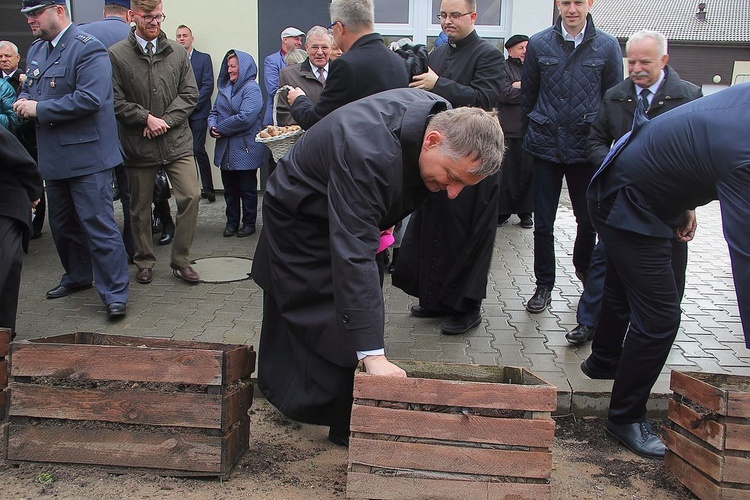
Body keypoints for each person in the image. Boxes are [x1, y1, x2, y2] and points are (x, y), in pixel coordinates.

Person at [252, 88, 504, 446]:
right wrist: (373, 354)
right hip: (301, 215)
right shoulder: (367, 150)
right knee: (329, 304)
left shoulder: (441, 119)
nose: (452, 193)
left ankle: (344, 410)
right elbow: (353, 256)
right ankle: (338, 414)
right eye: (453, 177)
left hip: (340, 205)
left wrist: (380, 216)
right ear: (432, 141)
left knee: (358, 304)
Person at [582, 83, 750, 458]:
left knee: (624, 287)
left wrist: (684, 203)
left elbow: (693, 150)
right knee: (660, 318)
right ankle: (624, 417)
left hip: (648, 190)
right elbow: (745, 252)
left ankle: (604, 361)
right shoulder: (744, 151)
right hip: (625, 201)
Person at [566, 30, 702, 345]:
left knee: (667, 273)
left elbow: (697, 159)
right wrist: (617, 165)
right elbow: (595, 141)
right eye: (632, 61)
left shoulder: (688, 97)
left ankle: (657, 332)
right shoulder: (615, 95)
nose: (637, 68)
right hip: (623, 199)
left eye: (645, 62)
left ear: (664, 61)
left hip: (666, 205)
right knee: (604, 260)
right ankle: (589, 323)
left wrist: (689, 206)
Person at [393, 0, 505, 335]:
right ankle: (436, 299)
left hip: (472, 166)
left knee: (466, 237)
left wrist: (438, 84)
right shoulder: (438, 55)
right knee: (434, 232)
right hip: (442, 161)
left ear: (473, 16)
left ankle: (467, 307)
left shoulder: (488, 55)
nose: (446, 21)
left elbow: (486, 99)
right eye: (442, 15)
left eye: (454, 15)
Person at [14, 0, 129, 318]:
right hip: (54, 157)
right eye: (27, 15)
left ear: (59, 11)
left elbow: (91, 99)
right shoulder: (37, 50)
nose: (30, 21)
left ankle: (115, 292)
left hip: (87, 156)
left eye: (35, 13)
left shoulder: (87, 48)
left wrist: (38, 109)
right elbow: (32, 87)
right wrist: (24, 99)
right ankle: (78, 276)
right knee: (63, 226)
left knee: (98, 225)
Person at [522, 0, 622, 314]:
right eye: (566, 2)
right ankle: (544, 284)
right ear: (558, 5)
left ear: (589, 3)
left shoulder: (606, 47)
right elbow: (529, 94)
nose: (572, 9)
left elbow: (614, 98)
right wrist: (533, 130)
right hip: (546, 148)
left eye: (578, 1)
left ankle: (585, 273)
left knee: (588, 221)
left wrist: (607, 146)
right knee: (543, 224)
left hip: (585, 148)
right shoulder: (539, 44)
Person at [109, 0, 201, 284]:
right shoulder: (116, 54)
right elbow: (114, 101)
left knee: (191, 195)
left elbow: (189, 95)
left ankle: (181, 259)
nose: (154, 22)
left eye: (159, 16)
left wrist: (163, 122)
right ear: (132, 16)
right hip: (138, 145)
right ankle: (144, 260)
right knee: (139, 207)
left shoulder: (176, 51)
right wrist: (145, 118)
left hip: (176, 141)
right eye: (148, 17)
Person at [287, 0, 409, 130]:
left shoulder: (346, 65)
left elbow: (318, 122)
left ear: (339, 28)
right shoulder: (398, 61)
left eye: (332, 28)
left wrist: (299, 100)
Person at [79, 0, 135, 264]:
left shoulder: (84, 34)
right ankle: (132, 247)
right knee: (131, 194)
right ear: (129, 14)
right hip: (132, 127)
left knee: (95, 199)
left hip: (93, 131)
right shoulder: (134, 36)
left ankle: (97, 254)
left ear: (104, 12)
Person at [208, 50, 264, 238]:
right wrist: (212, 127)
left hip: (245, 149)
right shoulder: (224, 88)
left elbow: (245, 118)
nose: (229, 70)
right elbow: (213, 112)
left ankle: (249, 224)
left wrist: (220, 129)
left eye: (234, 66)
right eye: (228, 66)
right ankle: (231, 223)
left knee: (247, 190)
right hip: (226, 150)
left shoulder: (251, 89)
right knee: (230, 191)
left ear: (244, 67)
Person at [0, 126, 43, 338]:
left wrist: (34, 191)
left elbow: (24, 162)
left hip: (6, 204)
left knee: (5, 270)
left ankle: (5, 340)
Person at [1, 39, 44, 240]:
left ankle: (36, 224)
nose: (3, 60)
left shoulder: (26, 78)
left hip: (26, 139)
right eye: (0, 57)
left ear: (18, 58)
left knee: (33, 174)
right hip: (8, 142)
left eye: (7, 56)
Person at [176, 24, 215, 203]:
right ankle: (192, 190)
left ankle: (208, 188)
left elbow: (208, 85)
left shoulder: (203, 58)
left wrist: (191, 106)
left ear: (192, 39)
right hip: (180, 115)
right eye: (179, 36)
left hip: (198, 113)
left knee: (197, 149)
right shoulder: (174, 59)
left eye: (185, 35)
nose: (182, 38)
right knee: (184, 153)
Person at [497, 34, 533, 229]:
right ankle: (502, 211)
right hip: (508, 129)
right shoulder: (503, 67)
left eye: (527, 47)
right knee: (507, 173)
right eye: (521, 47)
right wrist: (525, 89)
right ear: (510, 51)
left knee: (528, 173)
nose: (525, 51)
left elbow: (540, 91)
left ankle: (525, 213)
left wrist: (520, 86)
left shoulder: (533, 67)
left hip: (529, 129)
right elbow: (504, 93)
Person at [276, 25, 331, 126]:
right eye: (314, 47)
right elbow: (284, 113)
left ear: (331, 48)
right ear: (306, 47)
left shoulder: (342, 72)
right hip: (305, 139)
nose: (319, 52)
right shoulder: (288, 75)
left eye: (324, 47)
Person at [263, 26, 304, 127]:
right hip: (278, 117)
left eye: (300, 40)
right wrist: (299, 95)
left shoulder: (304, 57)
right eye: (296, 39)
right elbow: (273, 90)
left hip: (299, 116)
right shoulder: (272, 61)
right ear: (285, 40)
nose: (300, 43)